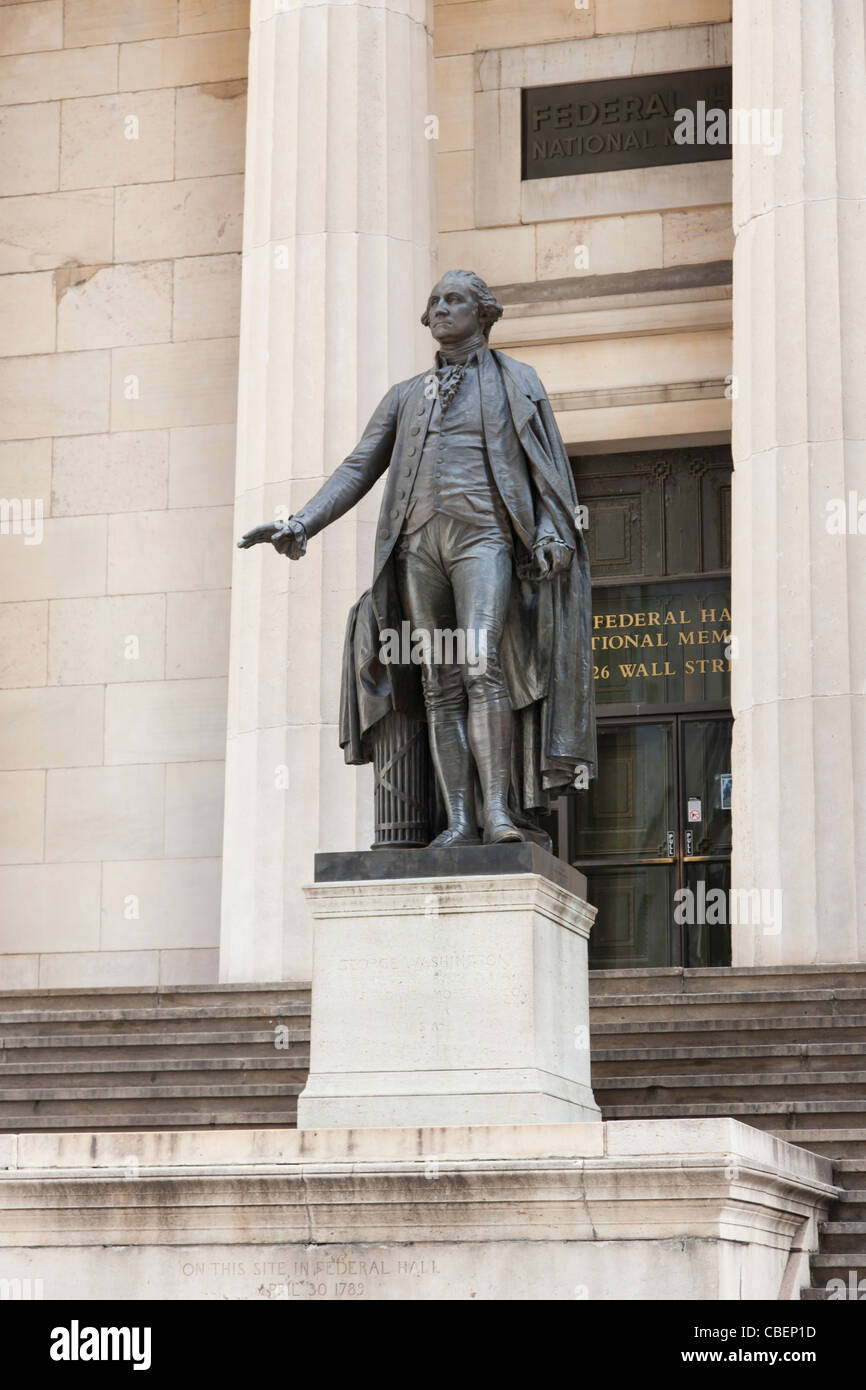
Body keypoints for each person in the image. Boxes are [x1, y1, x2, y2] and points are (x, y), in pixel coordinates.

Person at [240, 270, 595, 846]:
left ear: (483, 313)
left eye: (453, 300)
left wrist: (555, 531)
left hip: (483, 538)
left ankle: (499, 814)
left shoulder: (518, 381)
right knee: (439, 681)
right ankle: (458, 819)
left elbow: (547, 469)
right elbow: (359, 465)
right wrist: (300, 522)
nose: (439, 309)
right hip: (416, 547)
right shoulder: (405, 395)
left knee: (481, 664)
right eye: (433, 301)